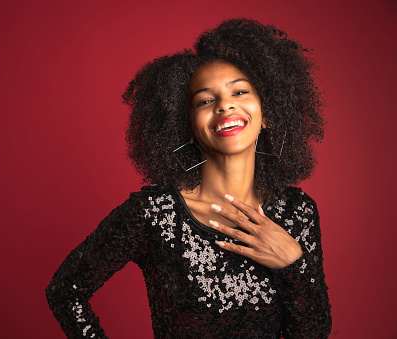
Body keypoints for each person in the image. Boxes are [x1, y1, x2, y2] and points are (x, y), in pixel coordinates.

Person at [46, 18, 332, 338]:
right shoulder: (155, 214)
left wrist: (293, 262)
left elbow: (312, 334)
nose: (225, 105)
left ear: (267, 114)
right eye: (206, 100)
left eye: (239, 91)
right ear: (189, 129)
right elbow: (65, 291)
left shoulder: (297, 211)